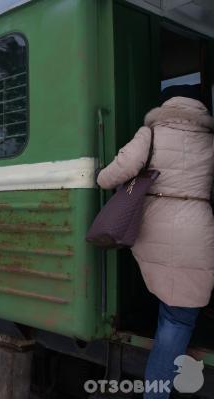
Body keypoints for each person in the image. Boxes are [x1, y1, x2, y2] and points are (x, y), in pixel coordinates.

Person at [97, 86, 214, 399]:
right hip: (198, 222)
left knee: (174, 308)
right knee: (180, 312)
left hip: (156, 224)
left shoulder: (151, 133)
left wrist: (100, 178)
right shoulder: (209, 139)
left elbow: (120, 170)